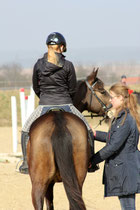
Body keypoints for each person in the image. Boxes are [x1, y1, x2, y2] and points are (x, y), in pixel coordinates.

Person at [19, 32, 97, 174]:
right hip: (66, 103)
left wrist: (44, 98)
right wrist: (65, 97)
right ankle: (91, 161)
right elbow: (72, 88)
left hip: (44, 104)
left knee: (25, 130)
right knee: (87, 130)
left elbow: (36, 87)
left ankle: (25, 162)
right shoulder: (68, 65)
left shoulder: (38, 65)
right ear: (61, 48)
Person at [89, 83, 140, 210]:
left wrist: (92, 160)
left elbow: (113, 146)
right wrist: (95, 134)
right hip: (124, 170)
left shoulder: (126, 119)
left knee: (128, 207)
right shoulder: (123, 117)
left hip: (125, 171)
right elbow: (115, 138)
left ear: (121, 98)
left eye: (112, 97)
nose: (110, 100)